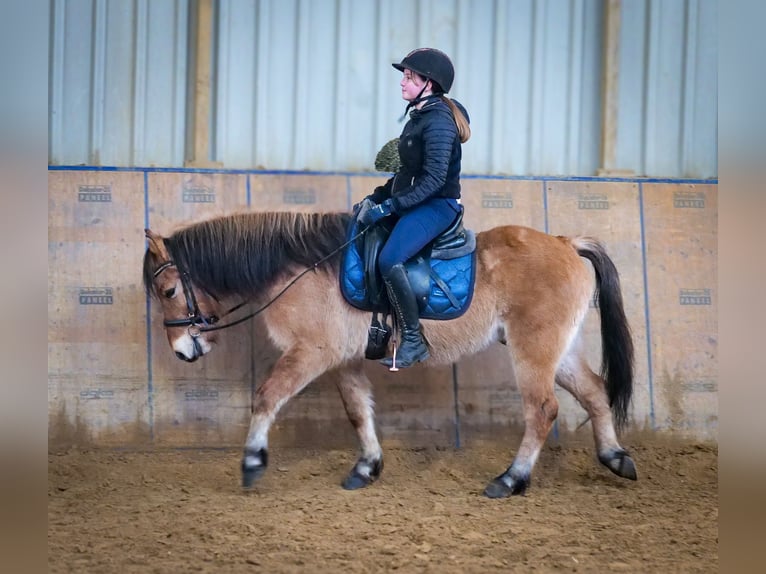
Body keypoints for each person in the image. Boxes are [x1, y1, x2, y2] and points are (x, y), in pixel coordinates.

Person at [358, 47, 471, 369]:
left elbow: (434, 179)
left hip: (437, 205)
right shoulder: (419, 116)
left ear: (429, 83)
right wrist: (378, 197)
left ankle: (412, 338)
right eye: (404, 76)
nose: (402, 83)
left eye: (409, 77)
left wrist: (392, 206)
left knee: (391, 258)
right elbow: (409, 172)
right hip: (417, 199)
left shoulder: (438, 122)